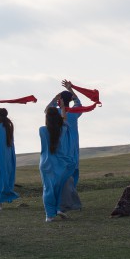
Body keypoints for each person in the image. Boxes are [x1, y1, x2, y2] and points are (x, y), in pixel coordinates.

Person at [49, 80, 83, 211]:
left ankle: (64, 201)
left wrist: (54, 99)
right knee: (73, 173)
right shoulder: (74, 112)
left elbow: (47, 110)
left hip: (62, 147)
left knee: (63, 174)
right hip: (74, 147)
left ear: (60, 100)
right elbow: (78, 102)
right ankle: (72, 200)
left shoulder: (57, 113)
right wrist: (71, 90)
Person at [38, 100, 74, 222]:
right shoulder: (63, 129)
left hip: (46, 163)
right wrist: (63, 107)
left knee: (48, 188)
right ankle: (59, 207)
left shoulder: (42, 130)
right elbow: (64, 118)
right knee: (60, 186)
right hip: (61, 163)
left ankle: (49, 215)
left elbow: (49, 117)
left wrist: (53, 103)